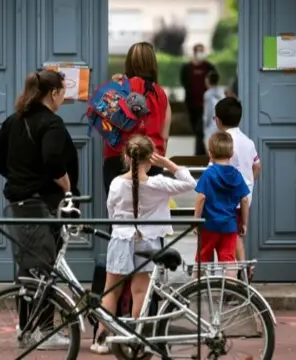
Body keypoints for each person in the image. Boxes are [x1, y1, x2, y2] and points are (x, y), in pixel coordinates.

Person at [0, 69, 79, 350]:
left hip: (22, 203)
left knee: (30, 269)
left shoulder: (14, 121)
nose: (64, 96)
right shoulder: (51, 123)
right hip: (41, 204)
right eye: (63, 91)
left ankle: (28, 329)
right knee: (41, 268)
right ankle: (44, 332)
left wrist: (19, 177)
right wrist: (66, 186)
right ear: (53, 93)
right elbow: (52, 160)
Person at [91, 135, 197, 354]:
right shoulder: (159, 184)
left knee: (110, 291)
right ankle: (135, 338)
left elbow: (112, 212)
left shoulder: (116, 183)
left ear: (126, 158)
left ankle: (101, 340)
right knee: (140, 291)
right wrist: (167, 163)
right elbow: (190, 183)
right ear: (151, 159)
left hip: (121, 239)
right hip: (147, 242)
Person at [101, 41, 172, 327]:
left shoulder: (117, 88)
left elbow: (104, 125)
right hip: (151, 162)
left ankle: (109, 322)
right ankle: (145, 318)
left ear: (128, 63)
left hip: (117, 162)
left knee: (119, 229)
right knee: (150, 233)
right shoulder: (161, 95)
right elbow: (164, 134)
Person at [212, 98, 261, 279]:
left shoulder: (221, 143)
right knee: (238, 235)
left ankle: (239, 275)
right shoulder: (248, 142)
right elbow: (257, 166)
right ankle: (244, 272)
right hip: (244, 199)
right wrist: (248, 182)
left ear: (218, 120)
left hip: (225, 201)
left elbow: (215, 169)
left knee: (230, 239)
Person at [194, 131, 250, 278]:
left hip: (208, 225)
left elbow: (201, 198)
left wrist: (196, 221)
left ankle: (195, 288)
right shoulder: (236, 175)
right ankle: (230, 289)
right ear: (231, 153)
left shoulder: (208, 174)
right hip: (229, 226)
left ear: (210, 153)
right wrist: (244, 223)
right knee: (228, 260)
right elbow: (244, 199)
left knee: (202, 258)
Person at [179, 43, 217, 156]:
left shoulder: (209, 67)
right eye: (198, 51)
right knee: (197, 130)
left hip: (206, 105)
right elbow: (184, 82)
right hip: (192, 105)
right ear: (194, 53)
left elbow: (214, 79)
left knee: (201, 130)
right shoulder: (187, 68)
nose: (201, 53)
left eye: (202, 50)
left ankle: (200, 154)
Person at [202, 71, 225, 149]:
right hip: (220, 123)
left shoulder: (208, 94)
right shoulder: (221, 92)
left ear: (208, 80)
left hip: (211, 123)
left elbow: (208, 112)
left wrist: (205, 125)